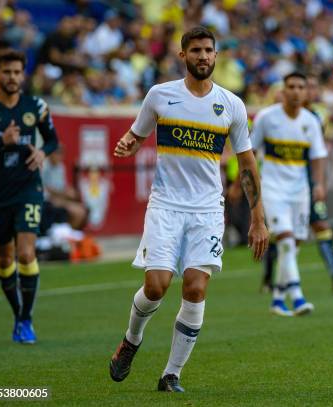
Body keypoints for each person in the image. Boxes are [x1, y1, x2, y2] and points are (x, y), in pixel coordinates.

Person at [108, 26, 268, 393]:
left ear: (216, 55)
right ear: (183, 55)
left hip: (208, 210)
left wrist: (258, 218)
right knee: (156, 285)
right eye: (195, 50)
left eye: (208, 50)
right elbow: (138, 133)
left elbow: (247, 165)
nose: (203, 56)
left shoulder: (231, 105)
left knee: (195, 289)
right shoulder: (160, 96)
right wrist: (129, 144)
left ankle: (171, 375)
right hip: (165, 205)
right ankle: (131, 340)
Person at [0, 49, 59, 344]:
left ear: (23, 75)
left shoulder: (35, 105)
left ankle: (26, 320)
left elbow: (52, 140)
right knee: (3, 257)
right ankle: (17, 313)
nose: (12, 77)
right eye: (6, 72)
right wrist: (0, 141)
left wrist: (42, 152)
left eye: (16, 72)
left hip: (29, 189)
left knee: (26, 253)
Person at [251, 72, 328, 316]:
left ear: (306, 93)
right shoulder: (267, 117)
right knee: (284, 238)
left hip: (300, 191)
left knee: (293, 246)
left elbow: (317, 156)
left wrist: (318, 183)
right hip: (272, 188)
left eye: (300, 87)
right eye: (291, 87)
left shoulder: (310, 121)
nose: (295, 91)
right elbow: (249, 151)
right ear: (283, 91)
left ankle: (277, 299)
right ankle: (296, 295)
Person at [261, 74, 333, 291]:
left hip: (307, 184)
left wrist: (319, 183)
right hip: (281, 184)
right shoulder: (276, 115)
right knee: (281, 232)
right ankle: (272, 279)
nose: (309, 91)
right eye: (307, 87)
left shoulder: (315, 117)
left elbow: (319, 151)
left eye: (310, 87)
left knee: (321, 226)